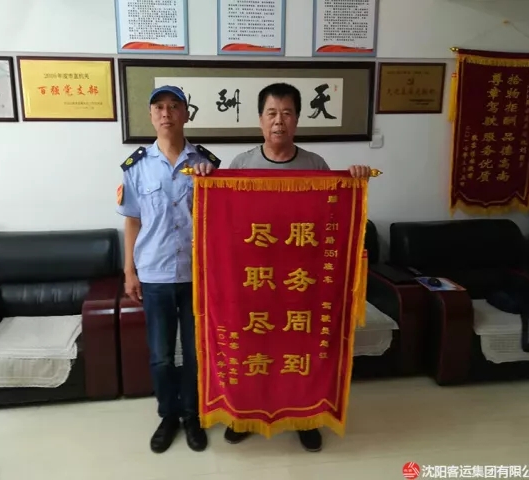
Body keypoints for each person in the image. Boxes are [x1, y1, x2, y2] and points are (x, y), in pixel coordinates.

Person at [225, 82, 372, 453]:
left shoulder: (315, 165)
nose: (279, 121)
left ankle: (306, 418)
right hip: (255, 278)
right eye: (272, 113)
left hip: (299, 280)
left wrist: (354, 180)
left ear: (297, 120)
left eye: (287, 113)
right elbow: (227, 224)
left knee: (299, 351)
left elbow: (331, 221)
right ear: (260, 120)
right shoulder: (240, 165)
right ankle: (245, 416)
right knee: (254, 350)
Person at [117, 85, 219, 454]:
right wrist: (129, 272)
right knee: (160, 354)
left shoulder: (207, 164)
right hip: (154, 274)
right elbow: (132, 221)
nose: (166, 113)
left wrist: (210, 182)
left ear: (186, 114)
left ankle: (192, 415)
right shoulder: (136, 166)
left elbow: (220, 220)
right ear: (151, 115)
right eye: (159, 107)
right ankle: (168, 415)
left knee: (195, 353)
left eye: (174, 106)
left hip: (197, 275)